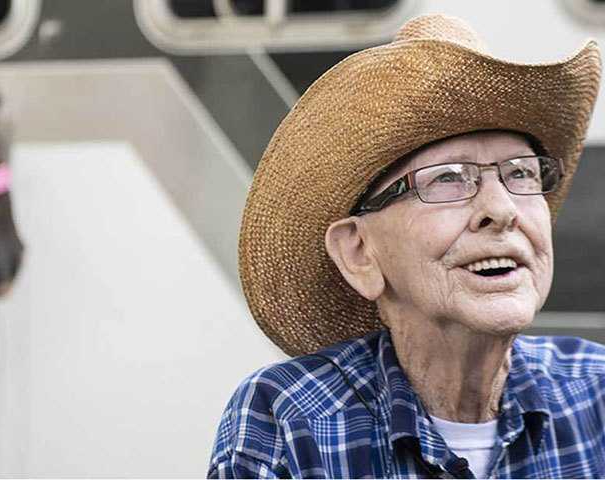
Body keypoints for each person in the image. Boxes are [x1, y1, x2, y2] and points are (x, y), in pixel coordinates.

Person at [208, 14, 604, 479]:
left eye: (521, 173)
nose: (502, 209)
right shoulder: (291, 420)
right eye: (448, 179)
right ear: (359, 251)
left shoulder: (595, 392)